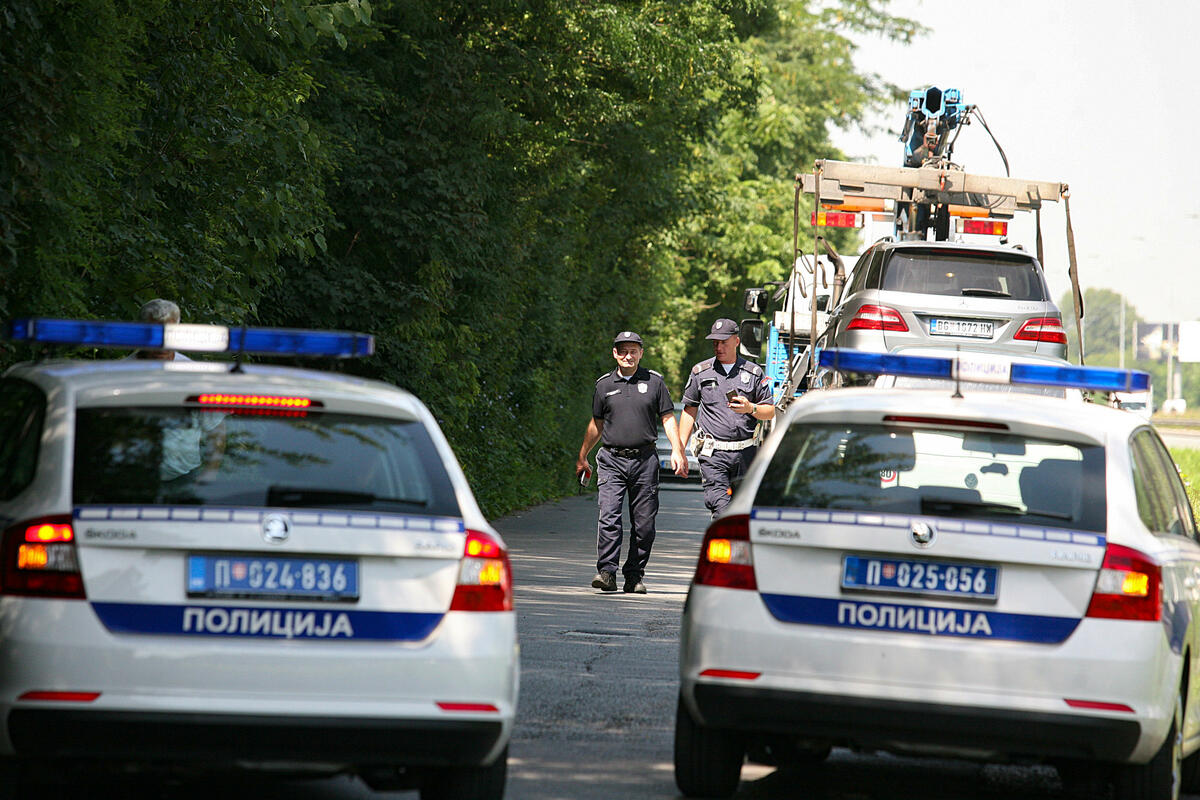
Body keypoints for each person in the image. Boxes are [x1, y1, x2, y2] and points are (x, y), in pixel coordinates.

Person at [576, 331, 687, 594]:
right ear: (615, 354)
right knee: (609, 517)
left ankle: (634, 576)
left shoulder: (655, 382)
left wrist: (678, 450)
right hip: (611, 460)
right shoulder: (603, 385)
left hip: (645, 461)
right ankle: (607, 573)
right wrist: (583, 455)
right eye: (623, 351)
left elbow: (668, 418)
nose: (628, 356)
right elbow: (596, 424)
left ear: (641, 353)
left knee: (644, 524)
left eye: (633, 351)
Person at [678, 318, 775, 517]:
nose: (719, 347)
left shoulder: (754, 372)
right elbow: (689, 411)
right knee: (721, 509)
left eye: (724, 342)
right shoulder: (700, 372)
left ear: (736, 341)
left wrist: (750, 408)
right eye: (715, 343)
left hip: (746, 454)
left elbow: (770, 411)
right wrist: (679, 450)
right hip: (713, 454)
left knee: (743, 511)